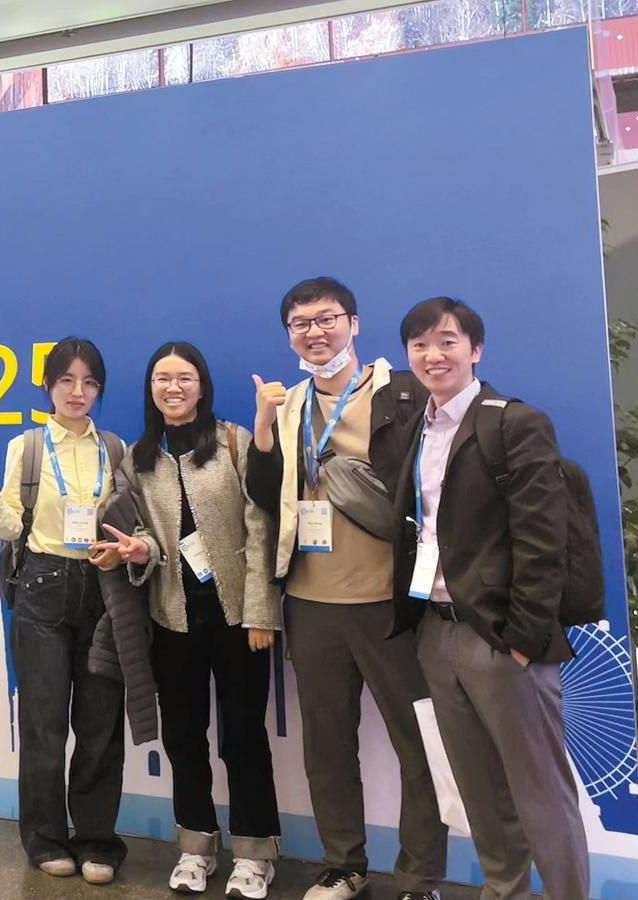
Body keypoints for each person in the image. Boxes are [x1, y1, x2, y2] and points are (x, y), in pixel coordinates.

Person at [245, 277, 447, 900]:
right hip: (311, 604)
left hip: (391, 603)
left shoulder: (402, 393)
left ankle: (419, 878)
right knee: (327, 747)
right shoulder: (287, 405)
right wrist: (262, 429)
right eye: (300, 323)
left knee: (419, 745)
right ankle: (343, 864)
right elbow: (265, 498)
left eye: (327, 318)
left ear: (354, 324)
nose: (315, 332)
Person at [390, 297, 589, 900]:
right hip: (437, 631)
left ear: (475, 350)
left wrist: (523, 640)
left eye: (448, 341)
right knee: (478, 790)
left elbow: (543, 541)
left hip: (501, 638)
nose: (433, 355)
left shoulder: (514, 423)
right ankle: (505, 891)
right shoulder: (416, 427)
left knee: (540, 792)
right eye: (420, 344)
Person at [95, 341, 281, 899]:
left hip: (237, 618)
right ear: (150, 388)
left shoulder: (232, 442)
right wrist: (139, 550)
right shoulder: (138, 458)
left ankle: (254, 854)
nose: (172, 387)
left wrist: (261, 610)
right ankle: (196, 847)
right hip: (171, 619)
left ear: (202, 386)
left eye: (184, 377)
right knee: (183, 737)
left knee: (243, 737)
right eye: (161, 378)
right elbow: (145, 535)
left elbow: (261, 525)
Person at [0, 337, 126, 885]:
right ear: (48, 386)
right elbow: (12, 527)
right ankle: (46, 840)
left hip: (102, 589)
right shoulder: (26, 447)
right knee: (43, 723)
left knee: (100, 724)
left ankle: (97, 841)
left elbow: (127, 519)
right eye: (67, 381)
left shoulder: (115, 449)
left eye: (90, 382)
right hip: (42, 588)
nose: (78, 392)